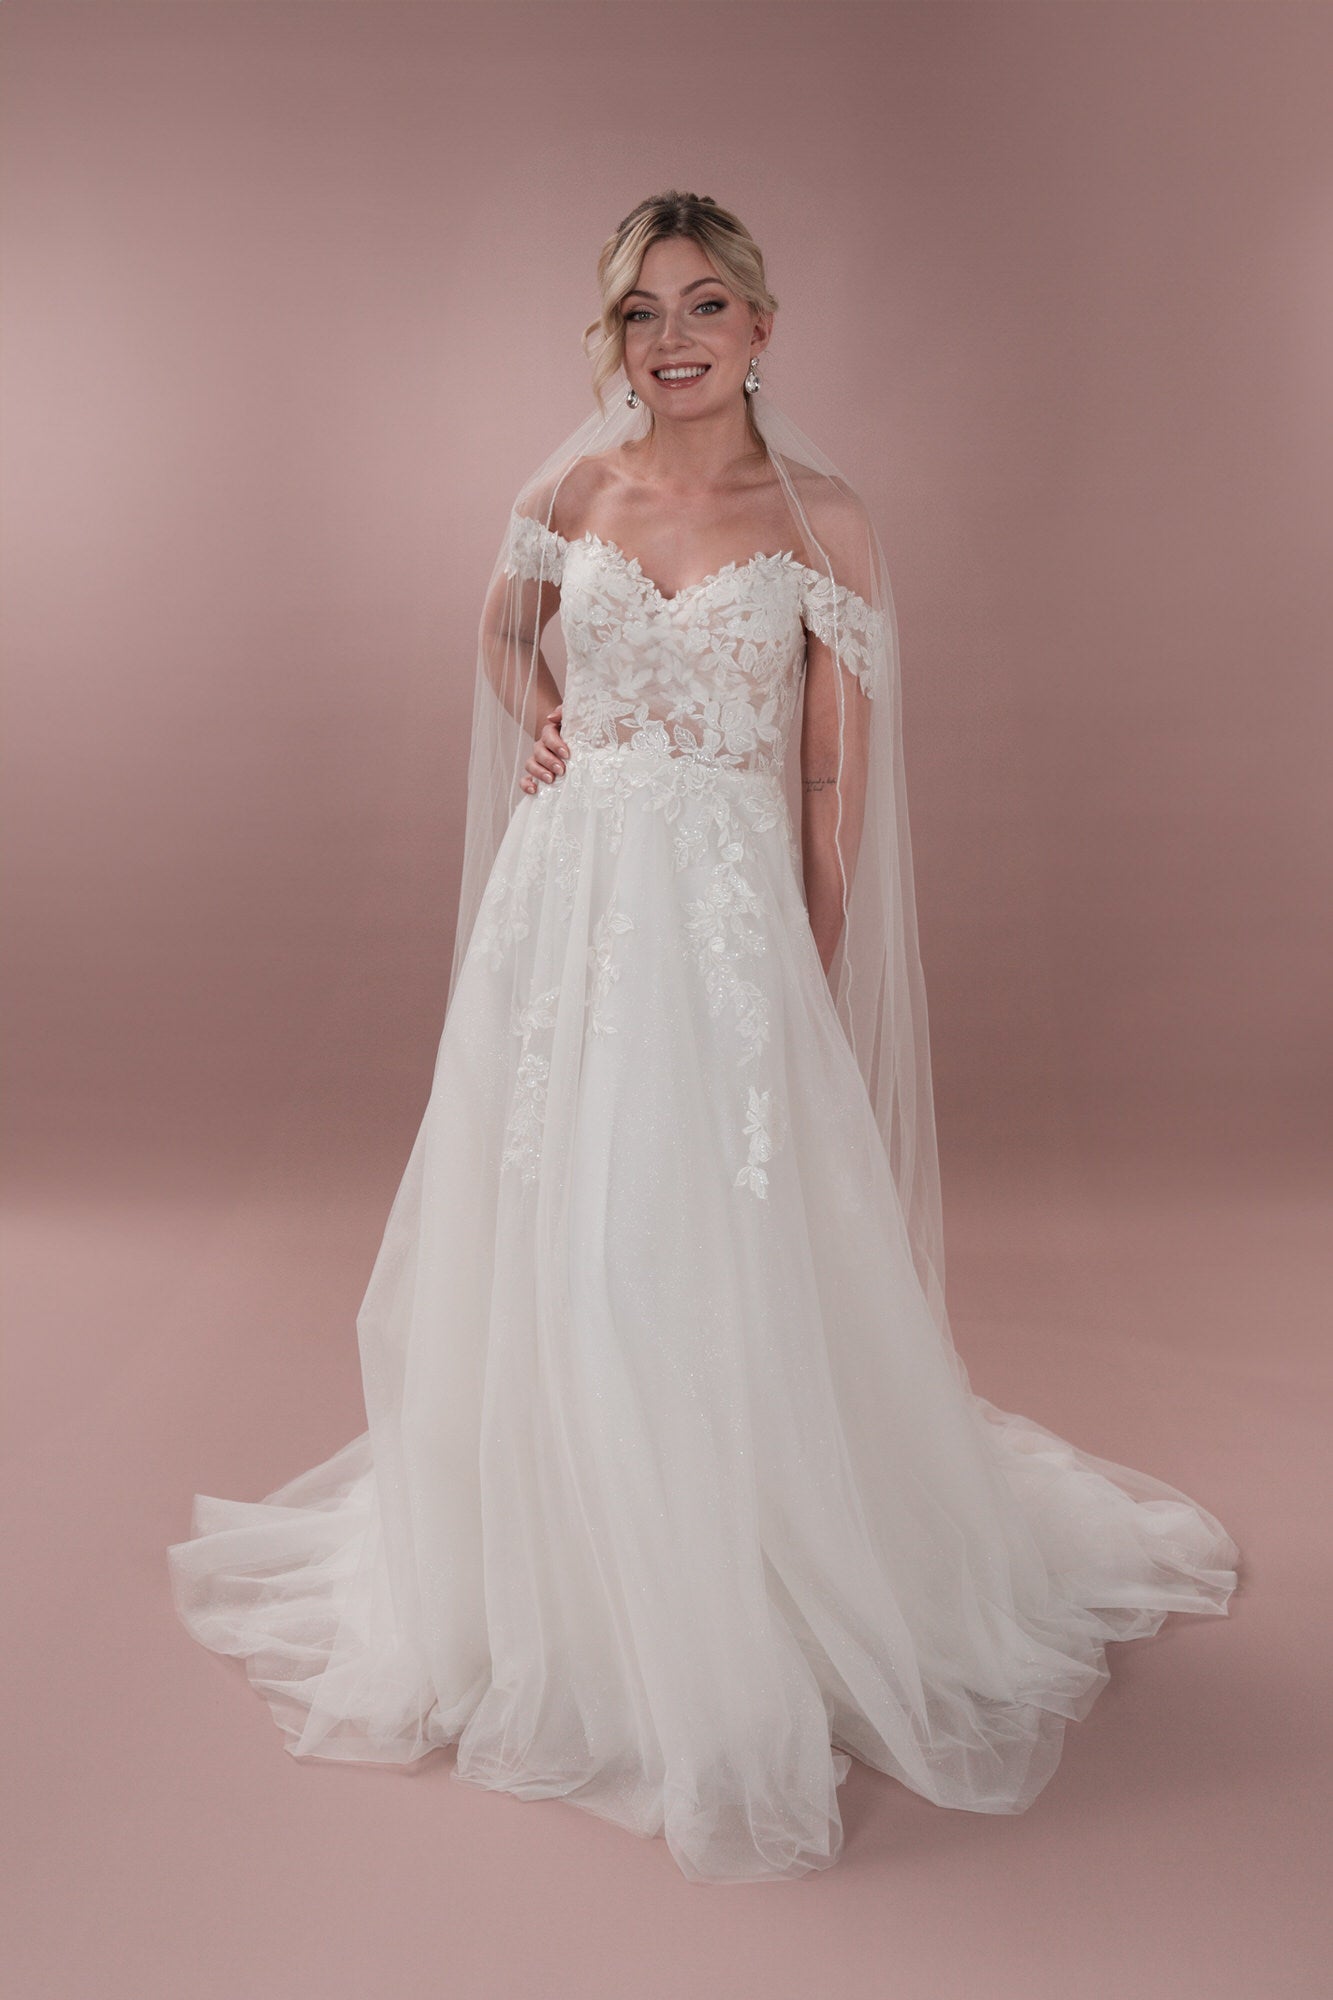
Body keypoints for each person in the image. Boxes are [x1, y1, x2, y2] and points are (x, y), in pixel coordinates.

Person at [167, 190, 1239, 1885]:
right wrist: (547, 725)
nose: (671, 340)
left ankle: (729, 1568)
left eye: (702, 306)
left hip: (723, 930)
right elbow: (504, 626)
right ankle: (566, 1568)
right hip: (566, 910)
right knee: (553, 1230)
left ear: (759, 326)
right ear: (613, 338)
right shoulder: (571, 491)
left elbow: (829, 767)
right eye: (640, 313)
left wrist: (804, 956)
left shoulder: (822, 519)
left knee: (691, 1241)